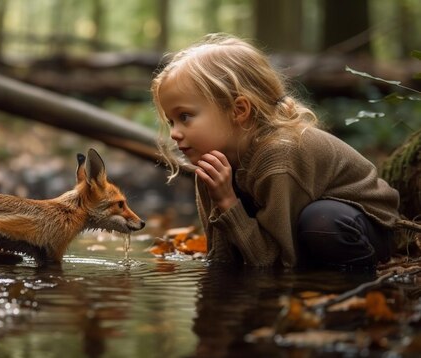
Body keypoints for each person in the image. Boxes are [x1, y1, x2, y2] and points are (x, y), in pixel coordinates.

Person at [150, 33, 402, 269]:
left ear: (239, 110)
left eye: (185, 116)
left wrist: (227, 202)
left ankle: (346, 288)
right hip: (297, 235)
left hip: (365, 226)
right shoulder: (212, 163)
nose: (174, 133)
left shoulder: (280, 154)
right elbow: (222, 258)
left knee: (321, 222)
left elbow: (278, 263)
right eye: (171, 122)